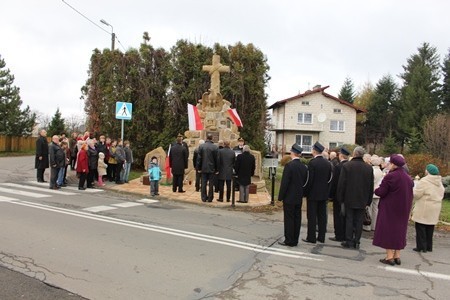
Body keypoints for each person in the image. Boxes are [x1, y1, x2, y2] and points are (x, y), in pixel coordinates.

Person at [373, 154, 413, 266]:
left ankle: (389, 256)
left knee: (388, 231)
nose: (388, 165)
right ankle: (397, 255)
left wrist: (376, 189)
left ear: (394, 164)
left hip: (390, 209)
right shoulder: (407, 177)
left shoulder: (391, 176)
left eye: (389, 163)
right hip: (403, 209)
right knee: (399, 231)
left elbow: (381, 192)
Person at [337, 146, 374, 249]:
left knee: (349, 219)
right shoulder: (368, 168)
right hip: (362, 198)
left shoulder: (347, 166)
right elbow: (370, 186)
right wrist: (368, 201)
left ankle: (349, 240)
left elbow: (342, 184)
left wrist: (340, 198)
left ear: (354, 154)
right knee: (359, 221)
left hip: (349, 197)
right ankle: (357, 241)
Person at [278, 144, 308, 247]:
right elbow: (305, 182)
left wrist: (280, 196)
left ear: (292, 153)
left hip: (289, 197)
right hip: (298, 196)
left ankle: (289, 239)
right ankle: (295, 239)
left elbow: (285, 183)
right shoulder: (304, 167)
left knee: (289, 219)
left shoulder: (289, 166)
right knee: (297, 218)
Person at [411, 164, 445, 253]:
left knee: (420, 226)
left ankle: (421, 246)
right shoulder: (439, 182)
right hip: (435, 206)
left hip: (424, 206)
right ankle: (429, 246)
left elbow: (417, 194)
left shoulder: (424, 181)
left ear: (428, 171)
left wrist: (413, 191)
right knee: (430, 227)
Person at [304, 141, 332, 244]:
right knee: (322, 216)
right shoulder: (327, 163)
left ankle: (311, 237)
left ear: (315, 151)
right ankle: (321, 237)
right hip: (323, 193)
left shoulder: (312, 163)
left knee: (312, 216)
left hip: (313, 193)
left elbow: (309, 180)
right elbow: (329, 179)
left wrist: (306, 192)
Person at [328, 147, 350, 242]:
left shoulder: (338, 167)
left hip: (338, 195)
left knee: (338, 215)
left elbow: (335, 183)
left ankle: (339, 235)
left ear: (340, 155)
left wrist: (331, 195)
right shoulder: (350, 166)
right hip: (348, 195)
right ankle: (346, 234)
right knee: (346, 216)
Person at [363, 155, 384, 231]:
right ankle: (374, 225)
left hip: (372, 192)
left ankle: (367, 225)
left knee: (369, 209)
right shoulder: (380, 171)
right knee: (375, 210)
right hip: (377, 192)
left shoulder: (372, 171)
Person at [197, 133, 218, 202]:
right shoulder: (215, 147)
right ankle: (210, 198)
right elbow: (217, 159)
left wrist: (199, 168)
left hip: (203, 168)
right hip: (211, 168)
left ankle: (203, 197)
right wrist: (217, 169)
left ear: (206, 138)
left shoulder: (201, 146)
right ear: (211, 138)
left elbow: (199, 159)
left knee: (203, 183)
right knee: (211, 184)